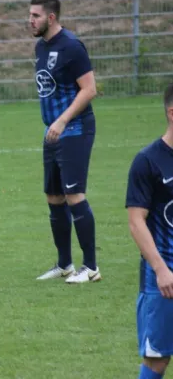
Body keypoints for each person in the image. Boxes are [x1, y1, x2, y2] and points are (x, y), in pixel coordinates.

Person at [29, 0, 101, 283]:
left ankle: (92, 267)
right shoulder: (40, 47)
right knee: (54, 197)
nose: (30, 20)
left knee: (74, 195)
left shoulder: (72, 46)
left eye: (35, 15)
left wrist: (62, 119)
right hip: (53, 131)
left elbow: (89, 89)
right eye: (30, 15)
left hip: (75, 128)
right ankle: (64, 265)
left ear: (51, 17)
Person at [126, 83, 173, 379]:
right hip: (165, 276)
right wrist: (161, 269)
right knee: (157, 359)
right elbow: (136, 221)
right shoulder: (148, 161)